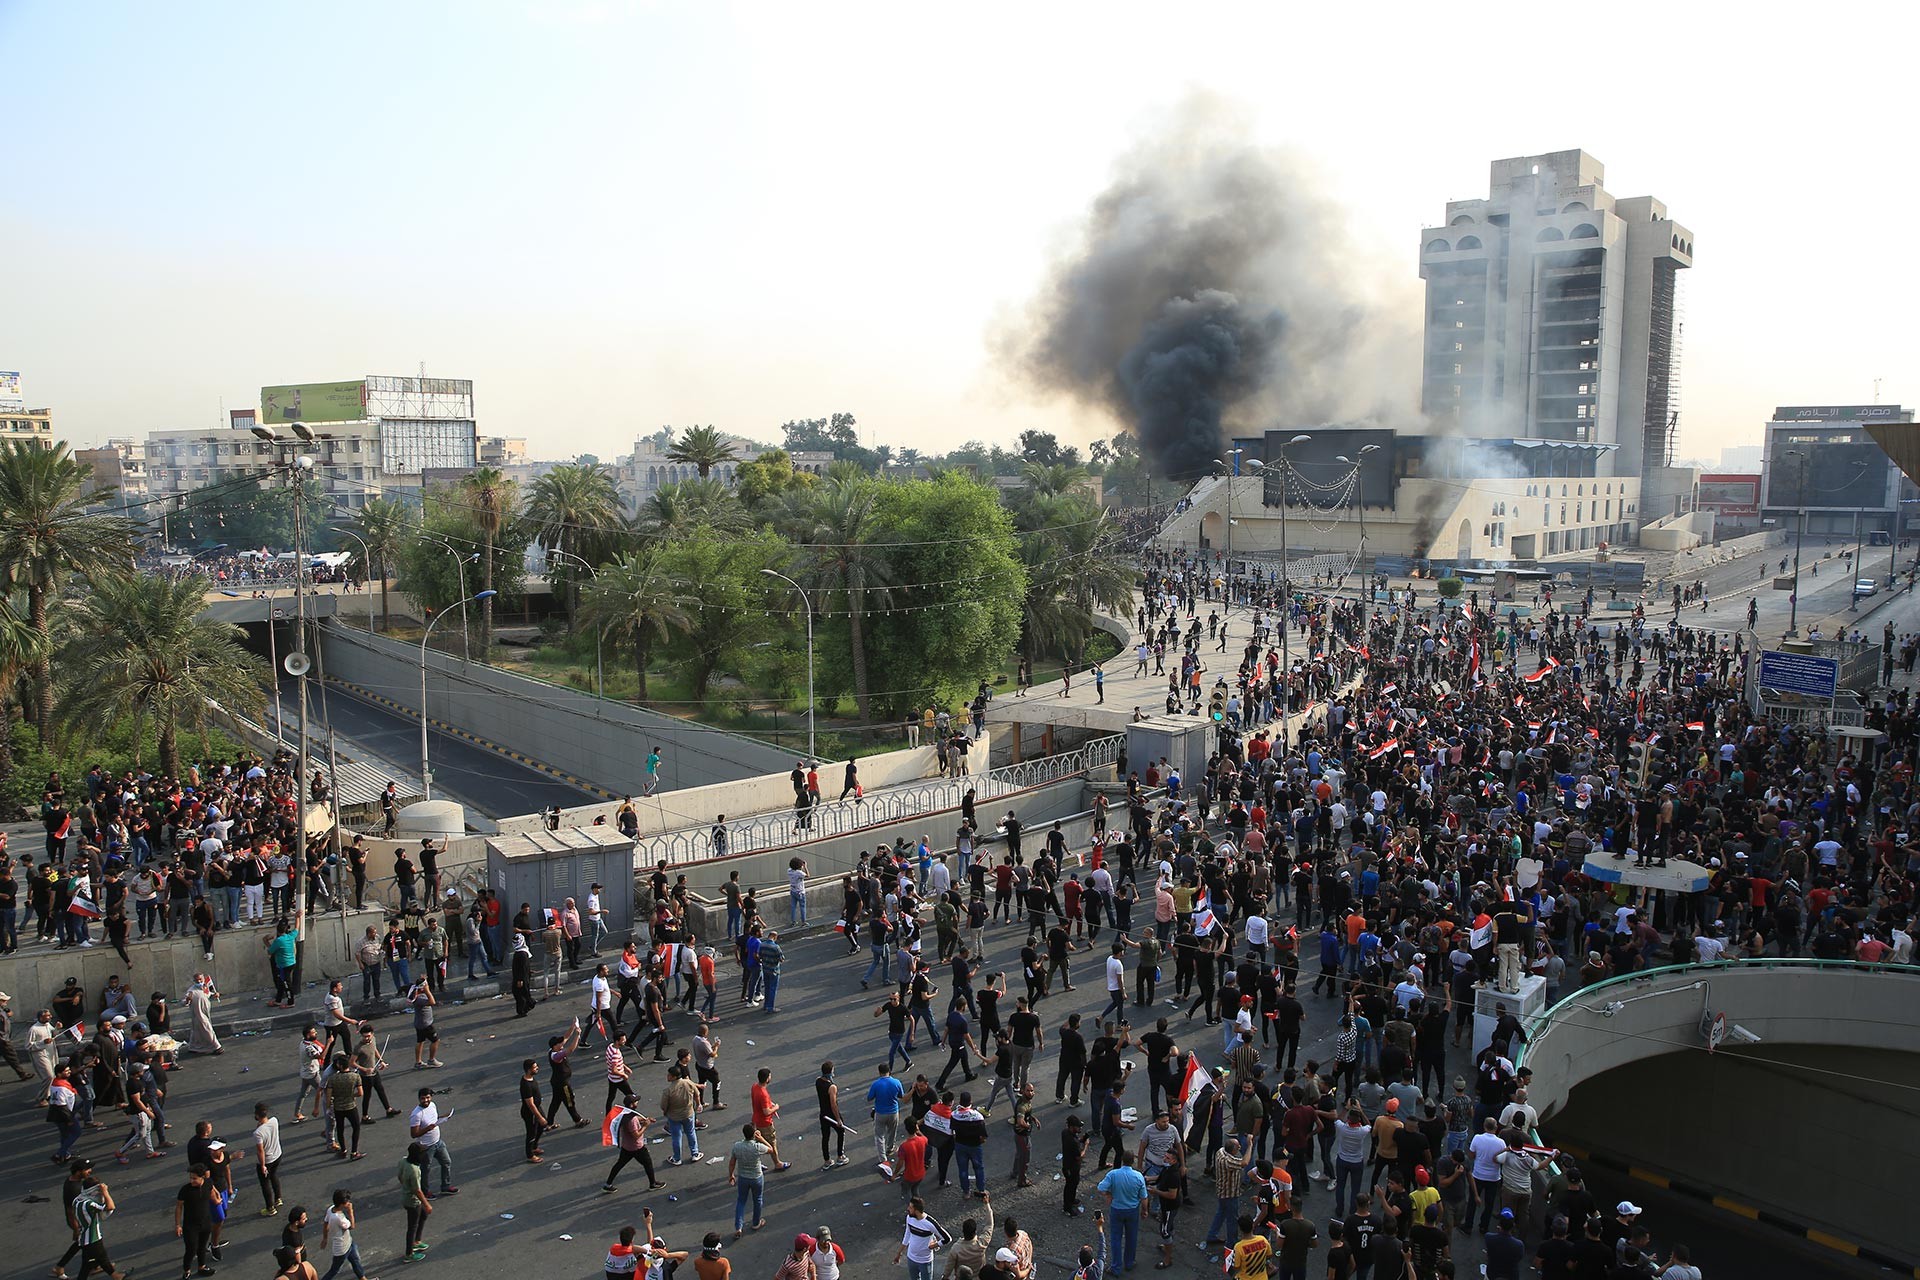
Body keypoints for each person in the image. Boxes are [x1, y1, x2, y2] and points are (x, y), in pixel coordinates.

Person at [1097, 1150, 1148, 1275]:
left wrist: (1108, 1194)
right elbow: (1144, 1197)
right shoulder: (1138, 1176)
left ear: (1121, 1160)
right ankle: (1129, 1263)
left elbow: (1100, 1188)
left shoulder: (1113, 1174)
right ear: (1133, 1161)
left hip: (1117, 1210)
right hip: (1132, 1211)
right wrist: (1144, 1210)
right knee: (1131, 1237)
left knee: (1116, 1238)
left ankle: (1116, 1267)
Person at [602, 1106, 664, 1192]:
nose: (637, 1103)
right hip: (636, 1147)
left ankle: (608, 1184)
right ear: (632, 1105)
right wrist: (645, 1126)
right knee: (648, 1164)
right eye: (636, 1102)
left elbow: (637, 1118)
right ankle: (653, 1184)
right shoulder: (632, 1120)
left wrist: (646, 1119)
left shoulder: (625, 1115)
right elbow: (636, 1135)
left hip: (626, 1146)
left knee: (619, 1164)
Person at [407, 1088, 456, 1196]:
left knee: (447, 1162)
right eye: (423, 1098)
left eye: (428, 1097)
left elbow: (434, 1118)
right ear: (419, 1099)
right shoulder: (416, 1114)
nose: (425, 1100)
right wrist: (427, 1129)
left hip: (438, 1142)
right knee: (425, 1170)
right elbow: (414, 1134)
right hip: (425, 1147)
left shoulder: (432, 1105)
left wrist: (444, 1117)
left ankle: (445, 1186)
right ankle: (425, 1192)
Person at [726, 1121, 771, 1240]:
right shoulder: (757, 1147)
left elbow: (732, 1162)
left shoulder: (737, 1146)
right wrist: (761, 1138)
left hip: (743, 1177)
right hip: (756, 1177)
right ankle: (756, 1223)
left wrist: (731, 1175)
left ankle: (738, 1227)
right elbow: (771, 1149)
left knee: (741, 1201)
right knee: (757, 1199)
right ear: (753, 1134)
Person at [174, 1163, 218, 1280]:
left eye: (194, 1178)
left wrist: (217, 1200)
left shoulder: (208, 1183)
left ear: (202, 1177)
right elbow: (179, 1207)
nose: (191, 1180)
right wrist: (178, 1225)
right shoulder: (185, 1190)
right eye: (190, 1178)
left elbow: (212, 1192)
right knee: (191, 1249)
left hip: (206, 1222)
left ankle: (201, 1266)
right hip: (190, 1225)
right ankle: (187, 1270)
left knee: (202, 1247)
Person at [317, 1189, 371, 1280]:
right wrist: (351, 1211)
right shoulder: (340, 1218)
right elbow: (352, 1226)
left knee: (355, 1261)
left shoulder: (330, 1209)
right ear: (342, 1204)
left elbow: (326, 1223)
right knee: (334, 1270)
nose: (349, 1203)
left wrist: (325, 1238)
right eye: (347, 1202)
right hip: (342, 1248)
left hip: (348, 1242)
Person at [397, 1143, 432, 1264]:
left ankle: (417, 1241)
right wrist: (426, 1204)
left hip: (406, 1197)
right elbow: (417, 1190)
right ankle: (409, 1253)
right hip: (413, 1201)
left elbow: (399, 1176)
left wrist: (405, 1186)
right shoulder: (415, 1170)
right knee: (412, 1227)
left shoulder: (403, 1161)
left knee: (423, 1215)